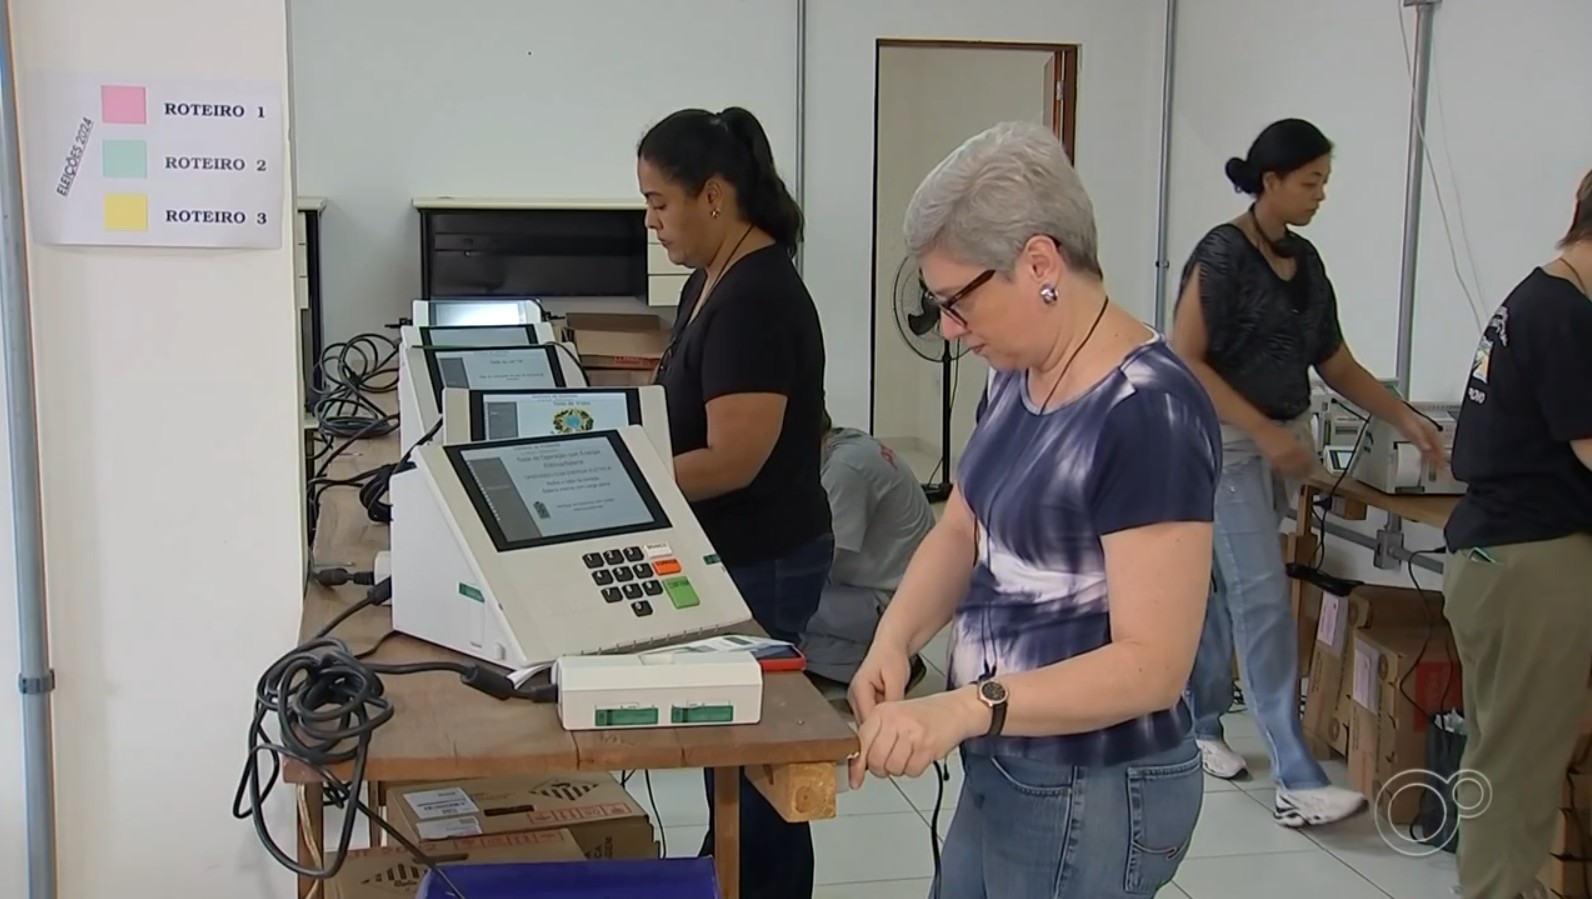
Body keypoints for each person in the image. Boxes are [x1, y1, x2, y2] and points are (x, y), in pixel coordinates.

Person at [848, 121, 1220, 899]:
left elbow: (1153, 665)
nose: (949, 328)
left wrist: (966, 708)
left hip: (1093, 783)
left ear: (1041, 263)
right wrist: (895, 635)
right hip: (1007, 757)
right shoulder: (1016, 371)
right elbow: (962, 524)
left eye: (957, 301)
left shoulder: (1146, 410)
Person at [1170, 118, 1444, 826]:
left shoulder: (1307, 262)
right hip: (1225, 444)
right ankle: (1293, 769)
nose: (1322, 194)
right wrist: (1260, 429)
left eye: (1325, 181)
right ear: (1271, 182)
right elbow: (1186, 356)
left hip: (1281, 443)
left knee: (1226, 585)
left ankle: (1199, 724)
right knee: (1261, 592)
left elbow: (1337, 361)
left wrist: (1407, 418)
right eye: (1311, 181)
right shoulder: (1222, 255)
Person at [636, 106, 832, 899]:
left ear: (713, 195)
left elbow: (735, 458)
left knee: (760, 774)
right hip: (733, 552)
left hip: (766, 558)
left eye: (660, 202)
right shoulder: (710, 279)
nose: (652, 221)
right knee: (734, 762)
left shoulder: (755, 297)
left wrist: (629, 480)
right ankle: (723, 878)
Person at [1442, 167, 1592, 899]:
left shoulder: (1535, 298)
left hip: (1495, 555)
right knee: (1520, 764)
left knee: (1501, 752)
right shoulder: (1564, 314)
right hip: (1535, 560)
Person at [800, 411, 936, 685]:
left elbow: (821, 558)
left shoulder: (844, 470)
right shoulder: (849, 443)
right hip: (897, 590)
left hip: (886, 602)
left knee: (772, 607)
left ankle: (874, 664)